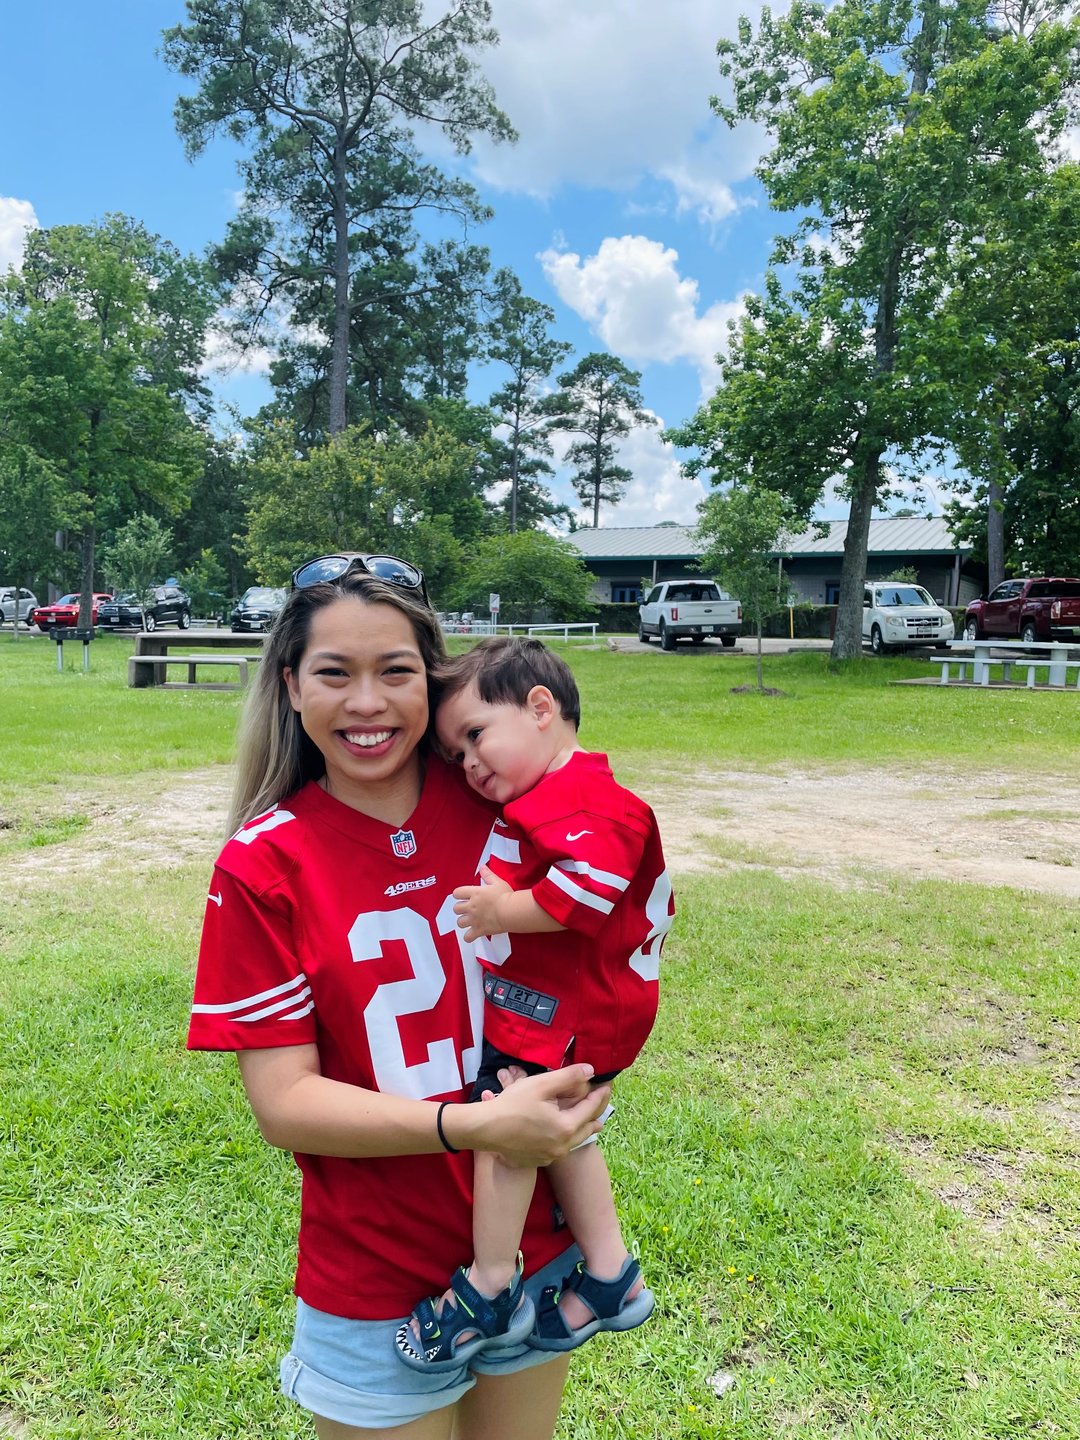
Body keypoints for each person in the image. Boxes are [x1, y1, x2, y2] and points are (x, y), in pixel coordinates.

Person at [187, 555, 612, 1440]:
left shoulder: (506, 812)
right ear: (292, 686)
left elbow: (604, 931)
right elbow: (284, 1103)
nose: (368, 703)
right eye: (335, 673)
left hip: (530, 1248)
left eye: (396, 671)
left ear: (434, 680)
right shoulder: (263, 863)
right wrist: (471, 1126)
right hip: (378, 1274)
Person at [395, 637, 673, 1373]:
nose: (469, 764)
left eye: (476, 736)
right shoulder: (544, 796)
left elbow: (587, 891)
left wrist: (499, 912)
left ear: (541, 708)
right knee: (565, 1133)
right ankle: (610, 1274)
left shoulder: (586, 798)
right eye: (455, 754)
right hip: (560, 1004)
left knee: (505, 1124)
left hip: (574, 1008)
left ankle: (489, 1286)